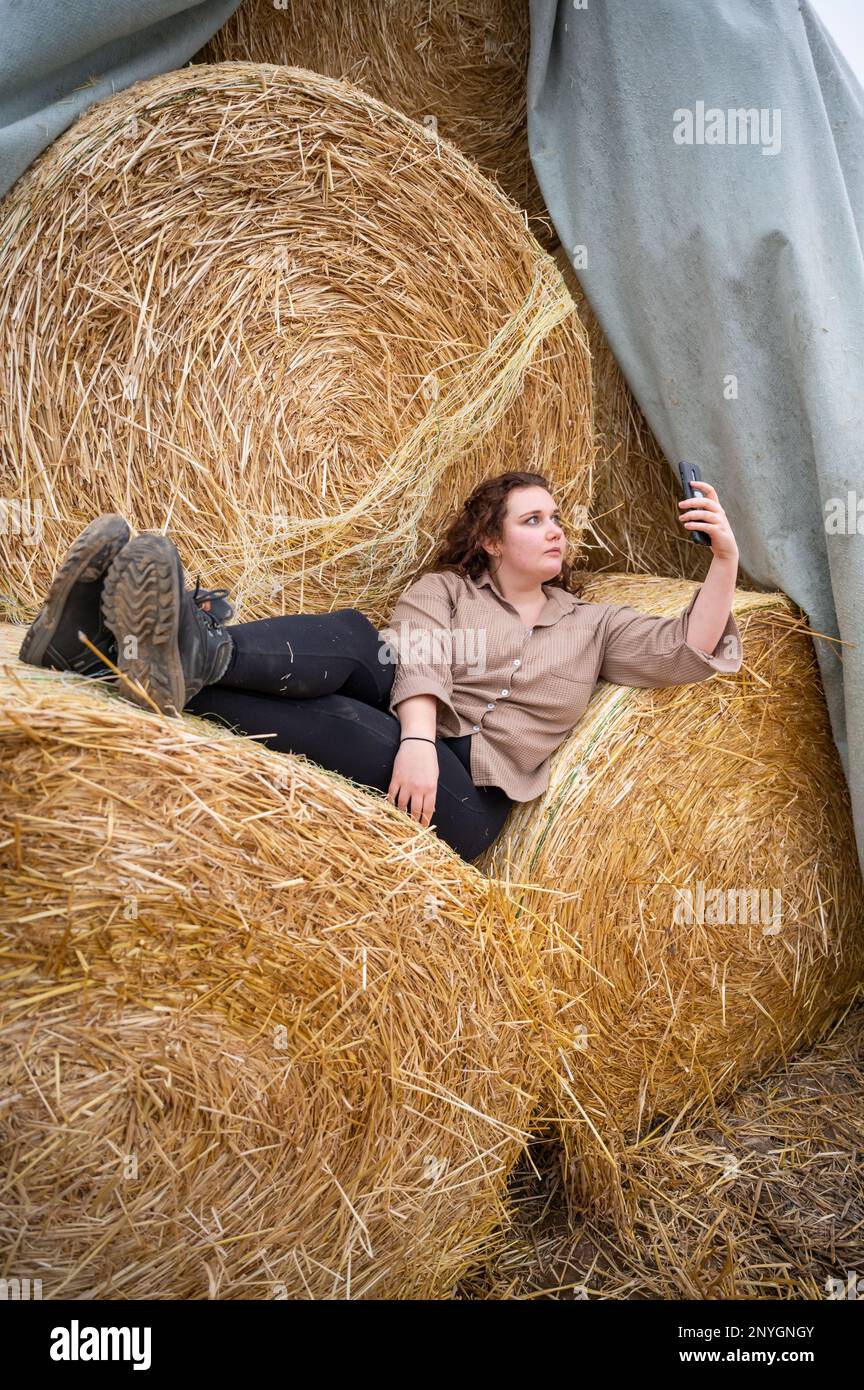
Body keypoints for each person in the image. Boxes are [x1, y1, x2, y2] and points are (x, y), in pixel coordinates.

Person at [18, 470, 744, 863]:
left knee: (348, 714)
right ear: (489, 541)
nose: (554, 530)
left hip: (472, 800)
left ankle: (105, 655)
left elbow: (683, 650)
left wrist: (725, 559)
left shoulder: (594, 626)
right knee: (354, 644)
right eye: (532, 520)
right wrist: (422, 742)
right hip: (413, 730)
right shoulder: (445, 591)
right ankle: (175, 654)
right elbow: (416, 656)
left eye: (556, 520)